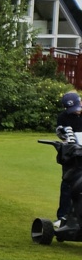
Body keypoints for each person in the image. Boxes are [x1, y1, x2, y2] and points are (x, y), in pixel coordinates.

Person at [55, 91, 82, 232]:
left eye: (77, 107)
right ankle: (63, 217)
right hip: (71, 156)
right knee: (67, 185)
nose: (76, 111)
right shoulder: (63, 117)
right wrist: (63, 134)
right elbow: (61, 134)